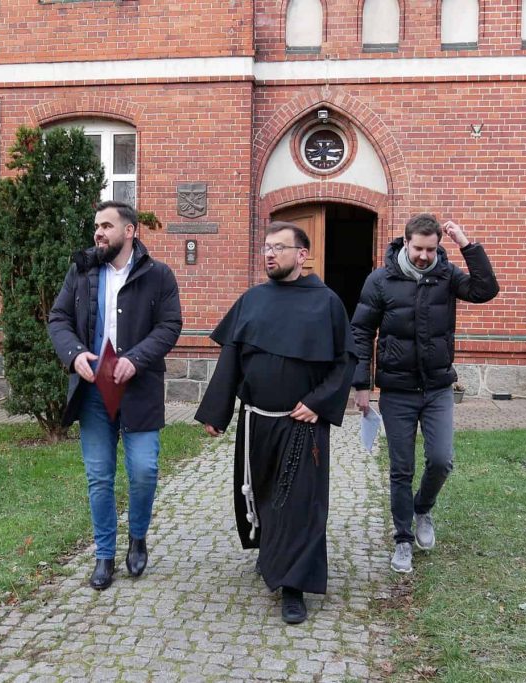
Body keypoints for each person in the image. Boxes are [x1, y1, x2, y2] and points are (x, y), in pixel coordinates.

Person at [196, 221, 356, 624]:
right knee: (263, 494)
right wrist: (217, 411)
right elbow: (232, 358)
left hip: (302, 423)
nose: (270, 254)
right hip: (257, 421)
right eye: (267, 247)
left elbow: (344, 362)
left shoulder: (326, 303)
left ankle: (293, 586)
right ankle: (271, 553)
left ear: (302, 255)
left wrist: (318, 403)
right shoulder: (252, 300)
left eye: (279, 248)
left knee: (298, 503)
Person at [350, 213, 499, 574]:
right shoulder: (381, 280)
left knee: (442, 459)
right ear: (406, 243)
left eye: (431, 250)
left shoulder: (446, 276)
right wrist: (361, 385)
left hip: (437, 388)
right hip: (397, 391)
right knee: (401, 468)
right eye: (418, 248)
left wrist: (466, 244)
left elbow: (485, 290)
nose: (423, 256)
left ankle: (423, 508)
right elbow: (361, 332)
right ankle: (403, 539)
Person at [48, 200, 182, 591]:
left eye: (107, 225)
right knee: (99, 476)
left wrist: (136, 359)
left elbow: (170, 325)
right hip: (92, 390)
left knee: (144, 470)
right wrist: (75, 355)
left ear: (130, 231)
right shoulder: (81, 271)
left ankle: (137, 537)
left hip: (139, 390)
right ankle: (104, 555)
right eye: (96, 226)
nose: (98, 233)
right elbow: (59, 319)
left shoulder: (158, 275)